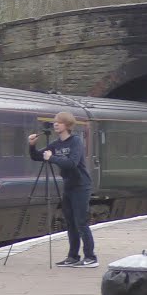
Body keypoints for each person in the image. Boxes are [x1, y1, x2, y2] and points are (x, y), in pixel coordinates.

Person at [27, 111, 97, 268]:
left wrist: (52, 158)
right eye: (55, 122)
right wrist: (32, 146)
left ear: (68, 125)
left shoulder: (75, 142)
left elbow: (72, 163)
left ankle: (91, 257)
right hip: (68, 186)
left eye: (59, 122)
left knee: (81, 222)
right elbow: (37, 156)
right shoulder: (56, 144)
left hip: (81, 186)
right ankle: (73, 257)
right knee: (70, 222)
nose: (55, 124)